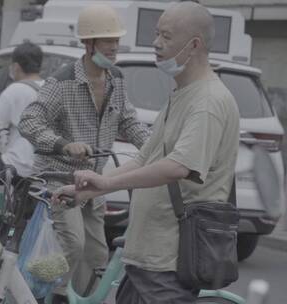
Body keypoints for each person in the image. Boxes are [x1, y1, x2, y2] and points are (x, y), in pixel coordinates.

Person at [53, 2, 240, 303]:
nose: (156, 43)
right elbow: (145, 158)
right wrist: (87, 191)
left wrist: (108, 184)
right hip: (147, 259)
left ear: (194, 45)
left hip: (169, 261)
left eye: (166, 36)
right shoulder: (182, 94)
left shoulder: (208, 101)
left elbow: (178, 166)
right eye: (156, 34)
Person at [18, 4, 150, 302]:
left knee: (97, 255)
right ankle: (40, 295)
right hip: (59, 179)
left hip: (95, 182)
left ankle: (79, 299)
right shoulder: (62, 82)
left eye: (116, 40)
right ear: (88, 44)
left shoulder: (116, 78)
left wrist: (159, 151)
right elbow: (29, 120)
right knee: (73, 243)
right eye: (107, 40)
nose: (114, 46)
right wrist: (64, 144)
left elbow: (129, 120)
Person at [0, 42, 44, 178]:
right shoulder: (48, 88)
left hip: (18, 163)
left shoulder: (15, 90)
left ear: (16, 67)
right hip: (42, 165)